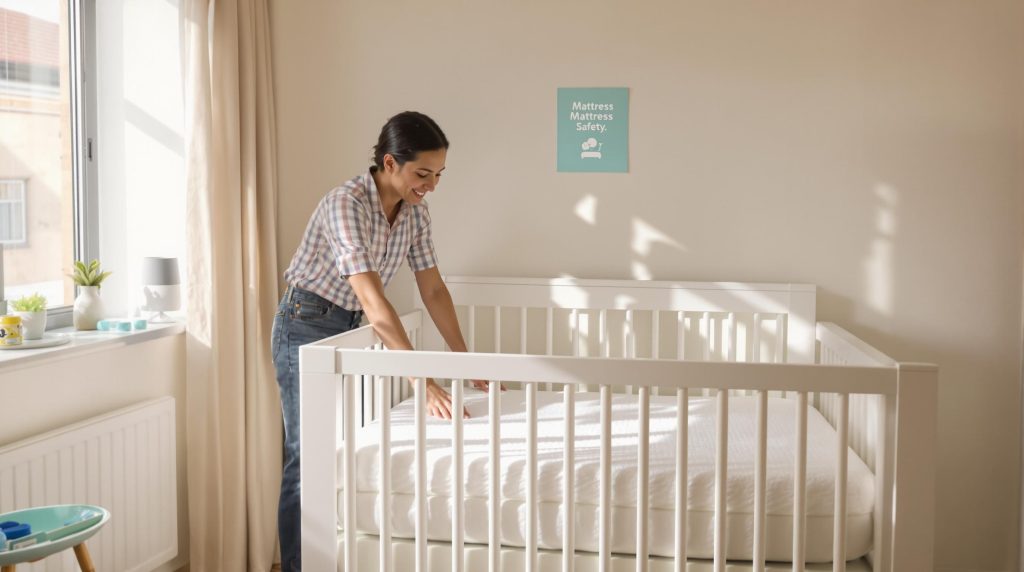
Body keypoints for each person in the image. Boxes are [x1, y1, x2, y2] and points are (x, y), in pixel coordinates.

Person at [270, 111, 494, 571]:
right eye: (422, 174)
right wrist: (421, 380)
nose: (431, 185)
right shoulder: (345, 204)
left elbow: (432, 288)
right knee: (305, 456)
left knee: (351, 449)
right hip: (307, 325)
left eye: (438, 175)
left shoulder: (415, 212)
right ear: (390, 164)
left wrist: (463, 360)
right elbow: (372, 297)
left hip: (356, 329)